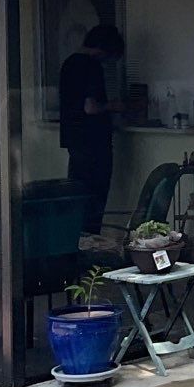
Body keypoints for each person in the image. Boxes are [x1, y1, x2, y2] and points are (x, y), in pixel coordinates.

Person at [59, 23, 125, 233]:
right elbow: (91, 107)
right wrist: (114, 106)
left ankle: (77, 242)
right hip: (94, 144)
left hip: (75, 142)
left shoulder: (68, 63)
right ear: (103, 50)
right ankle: (91, 243)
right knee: (95, 201)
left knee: (79, 198)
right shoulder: (91, 66)